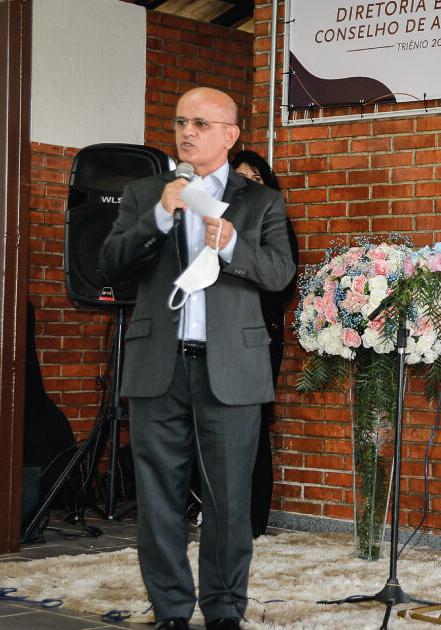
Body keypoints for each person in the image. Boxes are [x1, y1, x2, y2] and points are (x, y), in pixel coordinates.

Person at [99, 87, 295, 630]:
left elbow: (280, 275)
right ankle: (170, 610)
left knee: (229, 501)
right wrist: (158, 219)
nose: (188, 132)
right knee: (158, 499)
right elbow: (109, 265)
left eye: (202, 123)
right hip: (158, 368)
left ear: (231, 136)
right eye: (181, 121)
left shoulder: (261, 202)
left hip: (230, 369)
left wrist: (233, 244)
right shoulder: (146, 193)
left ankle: (225, 610)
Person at [229, 149, 300, 538]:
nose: (248, 185)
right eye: (240, 178)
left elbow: (283, 285)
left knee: (253, 427)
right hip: (218, 338)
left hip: (259, 335)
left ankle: (253, 521)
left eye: (255, 179)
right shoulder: (215, 221)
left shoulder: (277, 223)